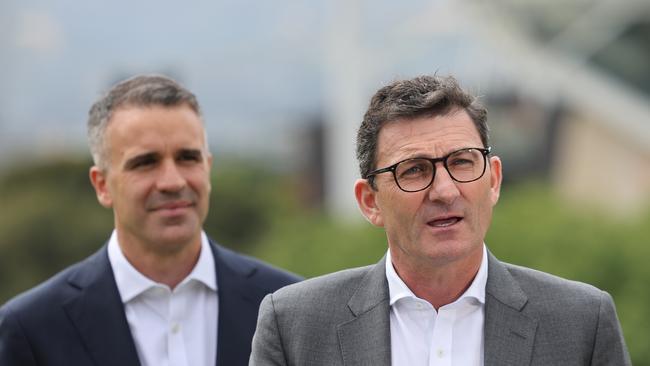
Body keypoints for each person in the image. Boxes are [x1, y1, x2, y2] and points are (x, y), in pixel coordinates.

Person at [249, 75, 631, 365]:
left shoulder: (582, 322)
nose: (445, 191)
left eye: (462, 162)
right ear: (370, 202)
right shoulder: (294, 327)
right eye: (414, 170)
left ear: (494, 180)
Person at [0, 74, 301, 366]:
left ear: (207, 167)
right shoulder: (32, 329)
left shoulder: (292, 308)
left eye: (187, 158)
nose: (172, 181)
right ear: (102, 185)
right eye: (145, 163)